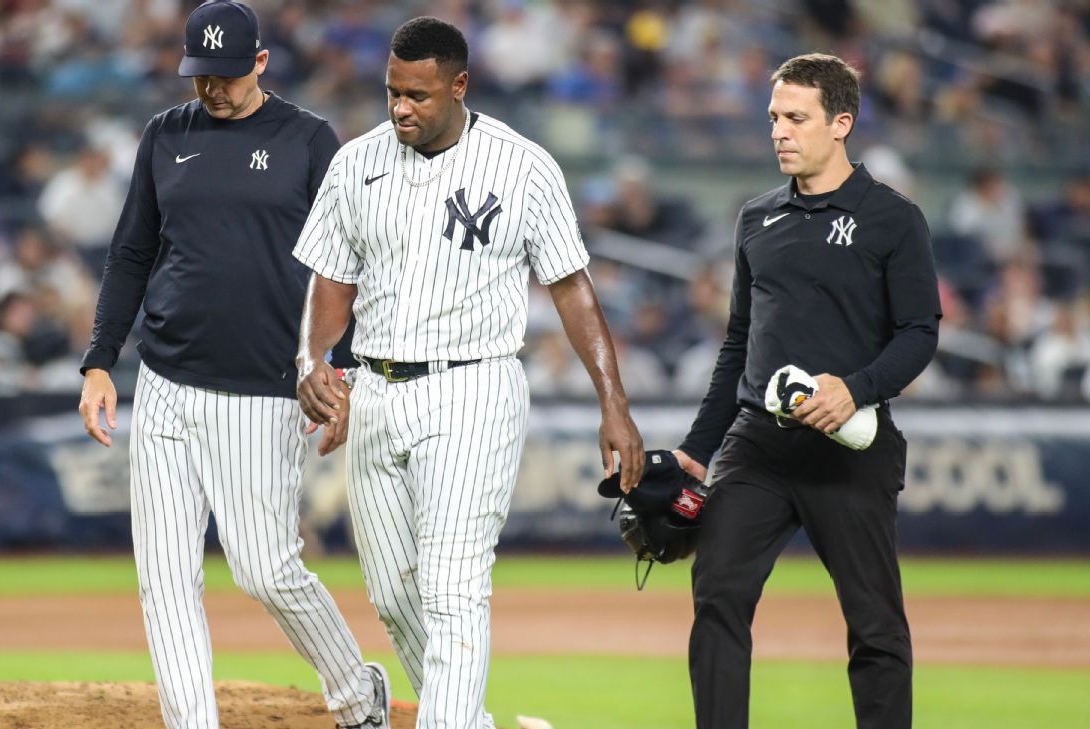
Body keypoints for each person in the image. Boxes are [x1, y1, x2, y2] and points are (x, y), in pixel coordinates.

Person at [292, 17, 644, 729]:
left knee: (453, 587)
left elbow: (571, 286)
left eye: (418, 95)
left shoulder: (522, 166)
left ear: (459, 86)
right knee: (394, 594)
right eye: (392, 91)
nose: (400, 108)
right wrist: (314, 360)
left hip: (472, 386)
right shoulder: (356, 163)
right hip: (376, 389)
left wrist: (614, 402)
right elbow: (332, 279)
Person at [76, 3, 388, 728]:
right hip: (164, 382)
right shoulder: (166, 135)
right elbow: (130, 254)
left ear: (259, 62)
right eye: (198, 74)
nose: (210, 88)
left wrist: (340, 369)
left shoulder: (309, 140)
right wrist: (99, 361)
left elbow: (350, 267)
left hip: (263, 388)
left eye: (223, 73)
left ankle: (352, 688)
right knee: (165, 577)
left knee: (265, 567)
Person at [672, 53, 940, 729]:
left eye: (796, 118)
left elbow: (919, 332)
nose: (779, 132)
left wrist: (856, 388)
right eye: (773, 118)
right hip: (758, 445)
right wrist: (697, 449)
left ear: (841, 123)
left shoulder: (892, 218)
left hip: (850, 446)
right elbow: (738, 345)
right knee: (718, 593)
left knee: (874, 621)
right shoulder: (757, 218)